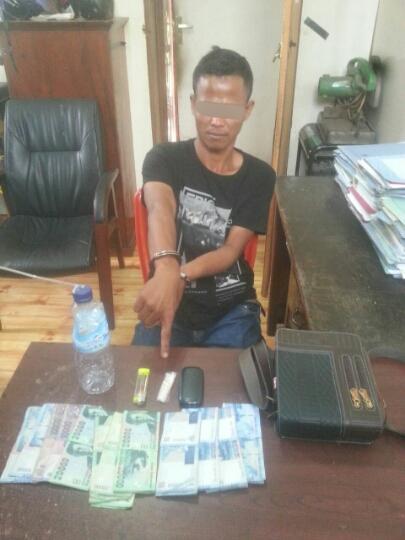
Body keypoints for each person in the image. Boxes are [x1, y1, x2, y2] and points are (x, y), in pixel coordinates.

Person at [133, 46, 275, 358]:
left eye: (230, 110)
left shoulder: (260, 176)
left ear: (247, 109)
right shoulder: (164, 158)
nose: (216, 121)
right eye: (207, 107)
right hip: (168, 297)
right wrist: (166, 268)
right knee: (142, 380)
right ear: (193, 104)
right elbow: (159, 208)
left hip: (231, 311)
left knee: (241, 385)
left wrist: (179, 275)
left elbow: (231, 250)